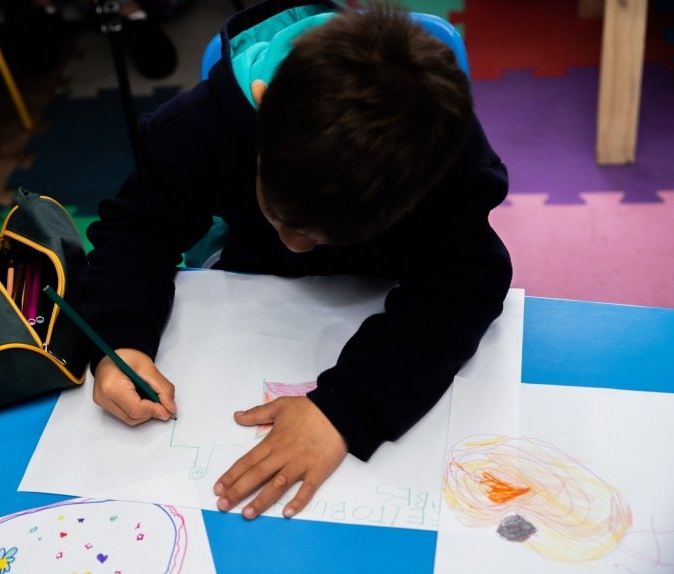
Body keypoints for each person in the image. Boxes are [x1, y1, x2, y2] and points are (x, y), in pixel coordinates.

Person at [79, 0, 512, 521]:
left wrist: (346, 409)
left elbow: (465, 279)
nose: (295, 246)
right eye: (281, 217)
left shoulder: (448, 154)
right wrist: (119, 339)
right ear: (261, 109)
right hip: (248, 298)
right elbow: (136, 232)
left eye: (320, 235)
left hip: (392, 291)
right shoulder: (198, 128)